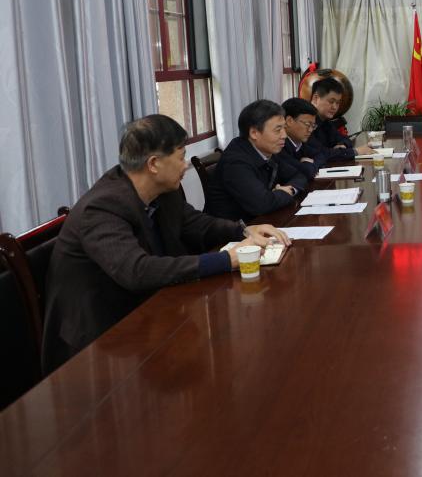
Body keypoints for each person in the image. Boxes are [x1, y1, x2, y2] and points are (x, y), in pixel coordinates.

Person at [42, 115, 290, 372]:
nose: (185, 165)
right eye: (181, 157)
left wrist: (243, 230)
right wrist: (226, 260)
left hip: (152, 310)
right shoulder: (102, 207)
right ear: (153, 164)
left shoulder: (163, 191)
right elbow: (137, 271)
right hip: (103, 342)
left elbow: (195, 223)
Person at [204, 100, 309, 221]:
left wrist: (289, 190)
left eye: (284, 128)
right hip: (234, 230)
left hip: (260, 222)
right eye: (278, 130)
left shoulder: (267, 150)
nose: (284, 135)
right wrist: (284, 193)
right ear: (254, 133)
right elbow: (262, 204)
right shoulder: (235, 162)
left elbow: (299, 175)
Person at [308, 77, 372, 161]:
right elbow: (320, 153)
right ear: (316, 98)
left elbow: (345, 139)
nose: (334, 107)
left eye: (338, 103)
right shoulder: (306, 122)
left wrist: (343, 145)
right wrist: (355, 151)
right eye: (331, 102)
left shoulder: (325, 121)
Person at [280, 97, 328, 180]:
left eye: (313, 126)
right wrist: (307, 163)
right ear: (289, 121)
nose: (310, 130)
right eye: (307, 124)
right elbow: (307, 171)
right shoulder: (280, 145)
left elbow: (321, 155)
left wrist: (311, 164)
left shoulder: (300, 142)